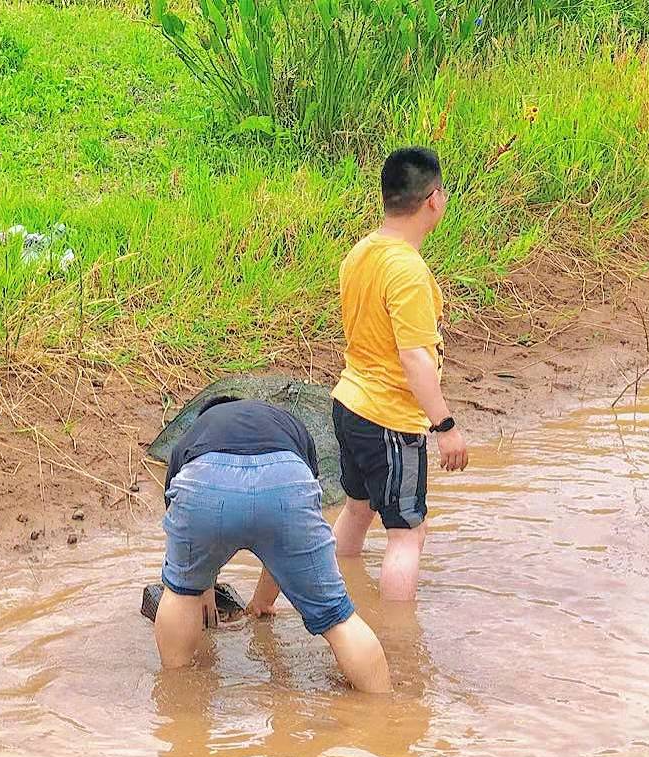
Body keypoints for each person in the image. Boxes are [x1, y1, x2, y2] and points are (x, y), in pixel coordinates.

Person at [153, 395, 390, 692]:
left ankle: (179, 703)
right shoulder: (288, 423)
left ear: (208, 413)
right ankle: (385, 712)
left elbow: (186, 538)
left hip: (204, 481)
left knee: (180, 593)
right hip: (286, 477)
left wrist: (199, 589)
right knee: (337, 617)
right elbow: (284, 541)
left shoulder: (194, 434)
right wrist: (263, 603)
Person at [330, 145, 469, 601]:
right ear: (433, 199)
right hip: (390, 418)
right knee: (408, 533)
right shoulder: (408, 269)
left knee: (357, 508)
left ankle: (333, 598)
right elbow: (415, 358)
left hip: (350, 403)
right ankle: (398, 645)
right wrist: (445, 426)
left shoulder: (362, 252)